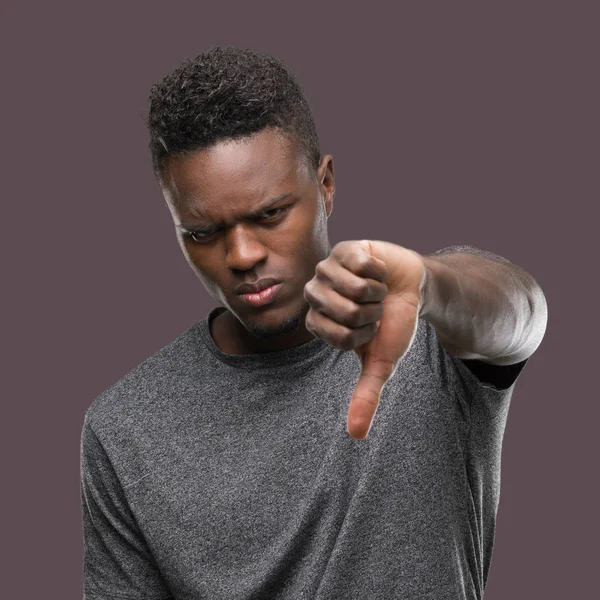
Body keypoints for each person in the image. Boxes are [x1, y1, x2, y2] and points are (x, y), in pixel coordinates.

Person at [80, 46, 547, 599]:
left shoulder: (428, 330)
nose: (243, 255)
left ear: (325, 184)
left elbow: (522, 315)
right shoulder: (126, 429)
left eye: (269, 214)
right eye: (203, 233)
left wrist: (432, 284)